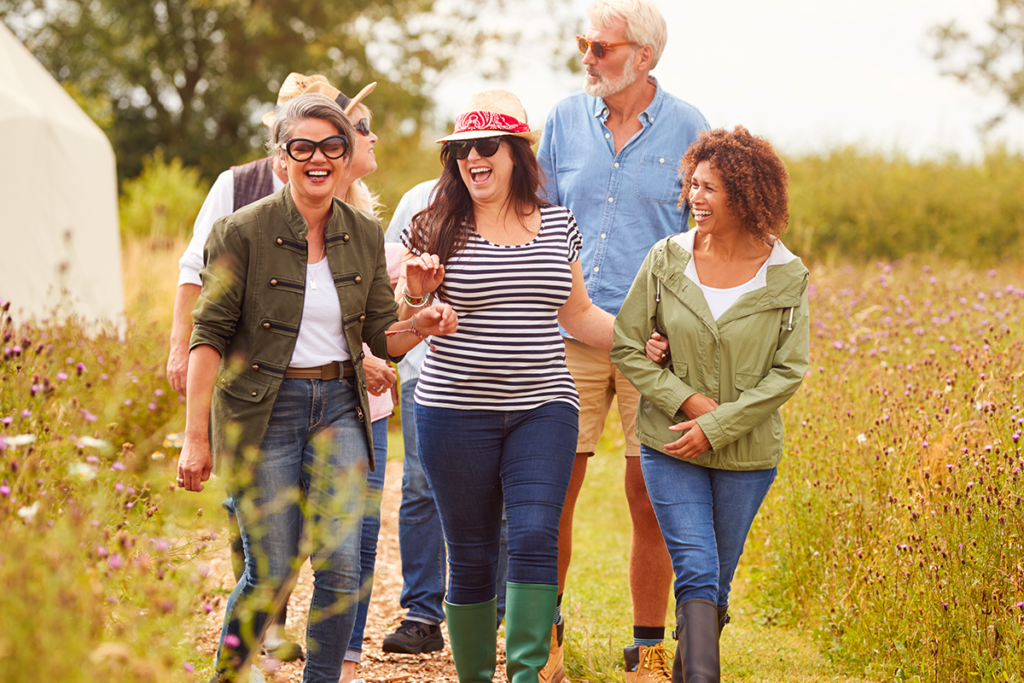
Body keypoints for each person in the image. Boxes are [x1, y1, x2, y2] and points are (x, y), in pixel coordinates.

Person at [177, 92, 457, 683]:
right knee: (271, 569)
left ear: (347, 153)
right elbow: (209, 338)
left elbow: (385, 337)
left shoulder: (362, 231)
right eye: (301, 147)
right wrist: (194, 438)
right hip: (262, 412)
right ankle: (227, 676)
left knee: (341, 569)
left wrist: (419, 316)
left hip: (338, 409)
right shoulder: (240, 231)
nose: (318, 158)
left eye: (332, 146)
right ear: (282, 158)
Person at [398, 89, 615, 683]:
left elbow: (578, 315)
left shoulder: (558, 222)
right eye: (462, 148)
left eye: (486, 145)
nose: (473, 157)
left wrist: (641, 340)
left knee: (536, 533)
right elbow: (403, 311)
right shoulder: (434, 225)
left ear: (517, 153)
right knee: (469, 555)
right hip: (452, 412)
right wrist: (420, 301)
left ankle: (525, 674)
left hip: (543, 406)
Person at [536, 1, 708, 680]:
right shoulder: (561, 119)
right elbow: (539, 216)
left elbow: (706, 233)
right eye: (583, 43)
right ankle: (540, 635)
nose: (587, 57)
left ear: (644, 56)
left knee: (651, 493)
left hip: (655, 342)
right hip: (568, 327)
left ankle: (648, 647)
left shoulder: (691, 125)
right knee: (551, 488)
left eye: (600, 47)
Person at [611, 126, 810, 683]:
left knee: (714, 580)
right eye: (692, 185)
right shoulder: (666, 259)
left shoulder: (787, 275)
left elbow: (788, 371)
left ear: (746, 197)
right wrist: (690, 402)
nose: (694, 197)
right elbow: (629, 345)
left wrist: (719, 425)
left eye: (710, 189)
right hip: (670, 443)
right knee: (696, 567)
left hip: (748, 457)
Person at [382, 180, 513, 653]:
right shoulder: (417, 200)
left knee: (497, 496)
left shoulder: (524, 207)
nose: (474, 157)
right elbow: (389, 275)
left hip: (502, 377)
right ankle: (422, 614)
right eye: (465, 147)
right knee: (419, 488)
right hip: (428, 372)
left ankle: (493, 611)